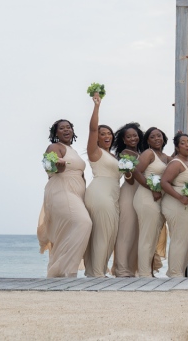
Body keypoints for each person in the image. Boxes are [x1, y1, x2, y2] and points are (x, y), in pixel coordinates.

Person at [37, 119, 92, 277]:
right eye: (62, 128)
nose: (66, 130)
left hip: (76, 193)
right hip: (62, 190)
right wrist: (58, 167)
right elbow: (51, 169)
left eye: (69, 127)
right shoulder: (54, 147)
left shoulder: (71, 149)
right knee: (84, 222)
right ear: (56, 133)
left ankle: (63, 270)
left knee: (68, 231)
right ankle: (65, 270)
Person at [83, 93, 120, 277]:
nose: (106, 136)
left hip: (112, 197)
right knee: (102, 235)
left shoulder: (113, 156)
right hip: (99, 195)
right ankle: (97, 274)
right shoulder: (95, 152)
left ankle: (95, 272)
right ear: (97, 138)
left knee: (109, 236)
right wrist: (97, 106)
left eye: (109, 133)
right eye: (102, 133)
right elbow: (92, 130)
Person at [161, 133, 188, 278]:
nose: (187, 145)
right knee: (179, 238)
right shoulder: (176, 163)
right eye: (183, 143)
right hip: (175, 204)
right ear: (177, 147)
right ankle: (174, 272)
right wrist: (180, 197)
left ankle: (180, 271)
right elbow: (164, 182)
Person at [132, 127, 169, 277]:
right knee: (147, 236)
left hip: (158, 199)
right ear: (147, 141)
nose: (156, 139)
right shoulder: (148, 153)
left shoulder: (165, 156)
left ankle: (149, 271)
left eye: (159, 136)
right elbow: (136, 171)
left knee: (153, 236)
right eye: (152, 137)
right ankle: (144, 272)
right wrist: (152, 188)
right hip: (146, 197)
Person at [111, 122, 143, 277]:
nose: (133, 138)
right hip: (129, 193)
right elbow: (130, 180)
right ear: (124, 139)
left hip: (141, 194)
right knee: (126, 232)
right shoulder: (125, 154)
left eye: (135, 135)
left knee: (137, 233)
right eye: (129, 136)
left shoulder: (142, 153)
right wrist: (129, 172)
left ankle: (131, 269)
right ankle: (121, 269)